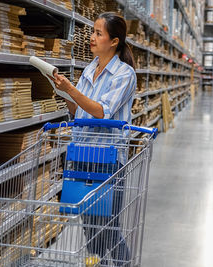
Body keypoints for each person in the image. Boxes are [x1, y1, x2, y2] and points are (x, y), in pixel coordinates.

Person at [49, 12, 136, 266]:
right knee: (90, 227)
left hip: (108, 159)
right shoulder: (89, 69)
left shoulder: (124, 74)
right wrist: (61, 91)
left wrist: (71, 89)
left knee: (107, 227)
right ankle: (98, 262)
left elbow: (101, 111)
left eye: (99, 33)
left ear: (114, 41)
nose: (92, 37)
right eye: (93, 32)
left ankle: (123, 263)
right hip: (83, 154)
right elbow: (80, 110)